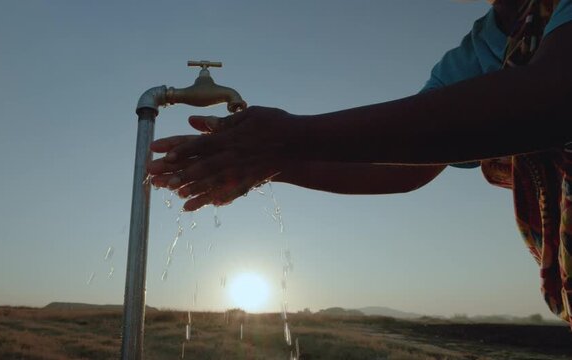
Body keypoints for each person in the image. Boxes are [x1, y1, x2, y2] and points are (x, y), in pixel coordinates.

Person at [147, 0, 572, 324]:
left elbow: (553, 98)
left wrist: (289, 139)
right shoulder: (480, 48)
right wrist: (267, 163)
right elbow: (407, 164)